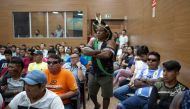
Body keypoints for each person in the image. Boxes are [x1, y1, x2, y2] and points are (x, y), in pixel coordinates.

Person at [82, 13, 116, 109]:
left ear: (106, 33)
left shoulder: (111, 41)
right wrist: (99, 51)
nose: (97, 33)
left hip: (106, 73)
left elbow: (106, 55)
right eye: (97, 31)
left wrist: (92, 52)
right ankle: (96, 104)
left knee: (106, 96)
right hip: (94, 72)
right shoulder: (93, 40)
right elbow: (84, 51)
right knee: (91, 94)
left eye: (100, 31)